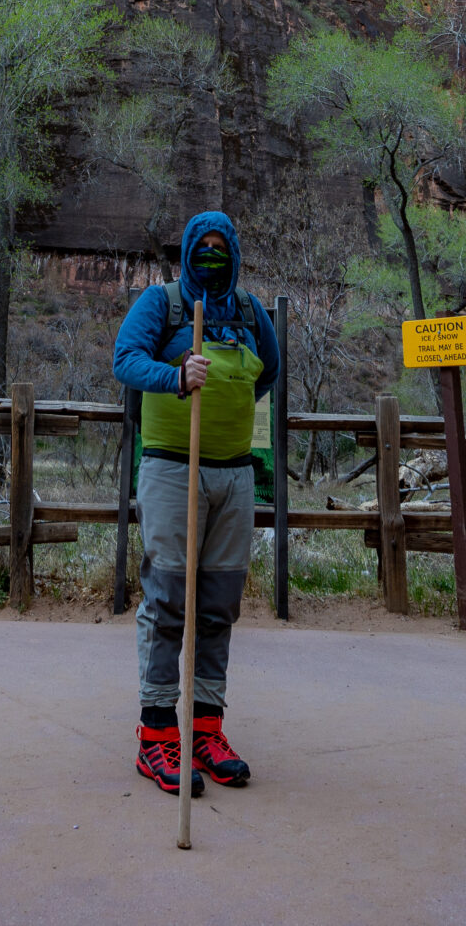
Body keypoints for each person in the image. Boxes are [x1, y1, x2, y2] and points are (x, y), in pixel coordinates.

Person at [111, 210, 280, 796]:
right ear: (187, 251)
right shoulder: (162, 304)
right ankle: (157, 736)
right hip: (170, 470)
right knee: (167, 602)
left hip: (233, 477)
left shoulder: (252, 313)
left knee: (218, 606)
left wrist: (230, 400)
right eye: (202, 247)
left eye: (221, 247)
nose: (211, 255)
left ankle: (207, 731)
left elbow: (269, 374)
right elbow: (125, 360)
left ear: (234, 252)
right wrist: (178, 377)